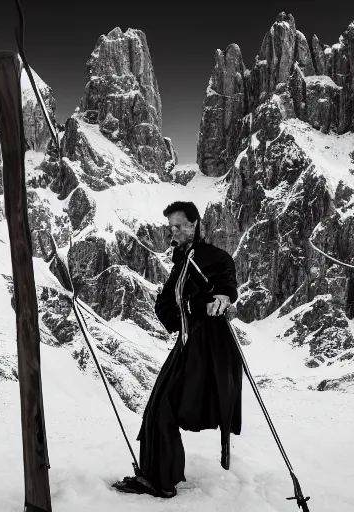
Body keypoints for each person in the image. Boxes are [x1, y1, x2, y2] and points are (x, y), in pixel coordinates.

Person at [112, 201, 243, 498]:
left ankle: (159, 480)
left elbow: (226, 285)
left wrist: (221, 299)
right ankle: (156, 475)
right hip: (187, 341)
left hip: (209, 344)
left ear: (194, 224)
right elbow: (169, 303)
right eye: (171, 226)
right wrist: (174, 308)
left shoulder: (214, 257)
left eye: (180, 226)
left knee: (165, 405)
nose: (175, 231)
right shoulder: (181, 263)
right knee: (158, 405)